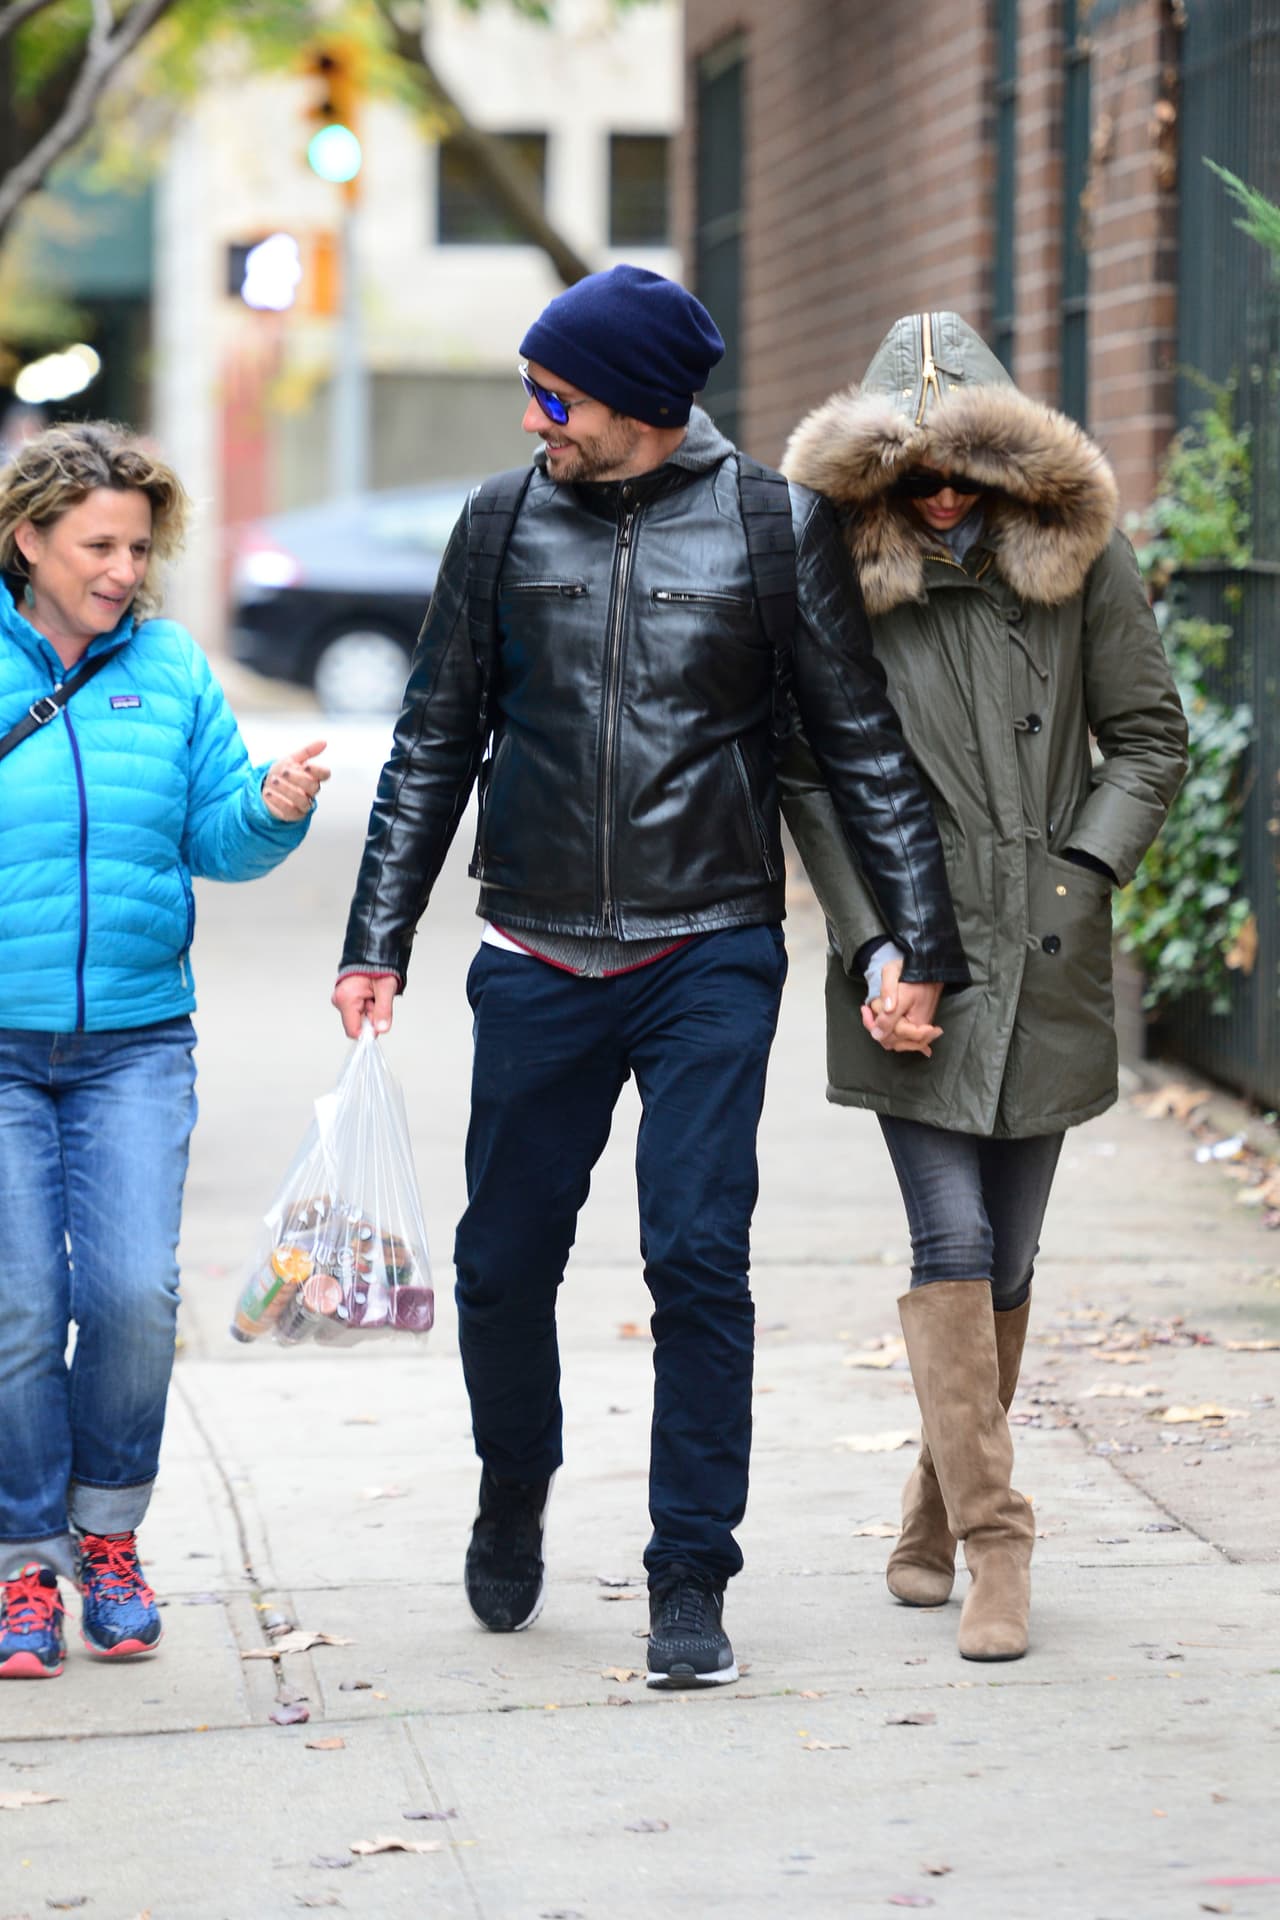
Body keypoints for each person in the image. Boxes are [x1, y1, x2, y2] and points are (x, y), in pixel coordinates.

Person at [334, 265, 968, 1690]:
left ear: (636, 403)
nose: (532, 418)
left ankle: (689, 1572)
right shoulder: (500, 522)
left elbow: (859, 745)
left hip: (708, 948)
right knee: (501, 1266)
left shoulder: (771, 524)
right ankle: (515, 1483)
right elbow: (433, 739)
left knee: (695, 1257)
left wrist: (921, 946)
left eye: (553, 395)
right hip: (536, 951)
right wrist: (378, 939)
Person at [780, 311, 1188, 1662]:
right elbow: (808, 776)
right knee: (950, 1245)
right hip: (914, 960)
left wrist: (1076, 877)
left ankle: (931, 1506)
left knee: (1008, 1262)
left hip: (1047, 951)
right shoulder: (830, 576)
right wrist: (871, 946)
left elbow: (1149, 739)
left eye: (967, 473)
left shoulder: (1080, 566)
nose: (945, 498)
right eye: (917, 477)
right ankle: (1000, 1543)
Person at [0, 421, 329, 1680]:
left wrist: (272, 809)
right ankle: (23, 1563)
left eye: (138, 548)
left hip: (134, 1042)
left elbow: (216, 840)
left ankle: (108, 1538)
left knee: (133, 1297)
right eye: (97, 545)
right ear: (28, 540)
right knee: (20, 1305)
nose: (123, 569)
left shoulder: (172, 666)